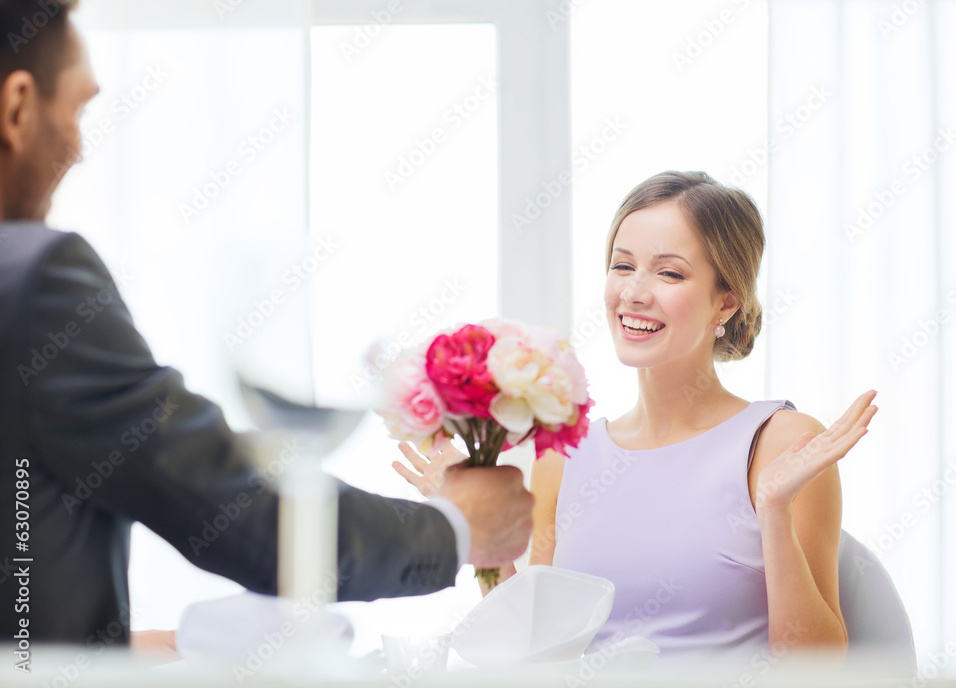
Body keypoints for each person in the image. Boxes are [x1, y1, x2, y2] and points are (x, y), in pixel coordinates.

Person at [0, 0, 534, 650]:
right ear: (18, 107)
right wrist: (453, 529)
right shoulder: (35, 279)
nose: (81, 149)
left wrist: (153, 645)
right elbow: (231, 510)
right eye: (77, 112)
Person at [395, 171, 877, 662]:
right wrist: (476, 528)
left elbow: (817, 668)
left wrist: (773, 512)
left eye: (669, 273)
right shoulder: (565, 458)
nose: (633, 293)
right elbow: (536, 658)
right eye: (623, 266)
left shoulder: (779, 443)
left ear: (726, 301)